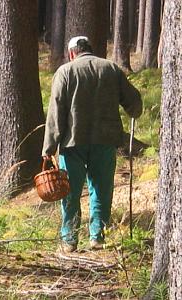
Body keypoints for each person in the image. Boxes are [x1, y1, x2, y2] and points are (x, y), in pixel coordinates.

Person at [42, 36, 142, 252]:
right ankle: (97, 237)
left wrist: (48, 148)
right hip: (104, 141)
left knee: (70, 191)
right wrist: (135, 110)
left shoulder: (65, 72)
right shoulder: (111, 69)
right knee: (102, 189)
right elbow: (134, 101)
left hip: (72, 143)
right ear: (90, 49)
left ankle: (69, 240)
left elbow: (55, 112)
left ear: (71, 53)